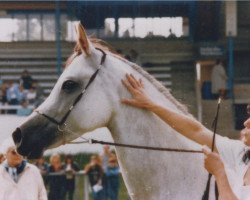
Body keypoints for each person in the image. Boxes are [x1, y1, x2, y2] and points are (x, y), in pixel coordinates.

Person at [121, 74, 250, 200]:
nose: (246, 123)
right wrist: (150, 104)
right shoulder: (240, 152)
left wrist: (219, 173)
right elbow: (196, 131)